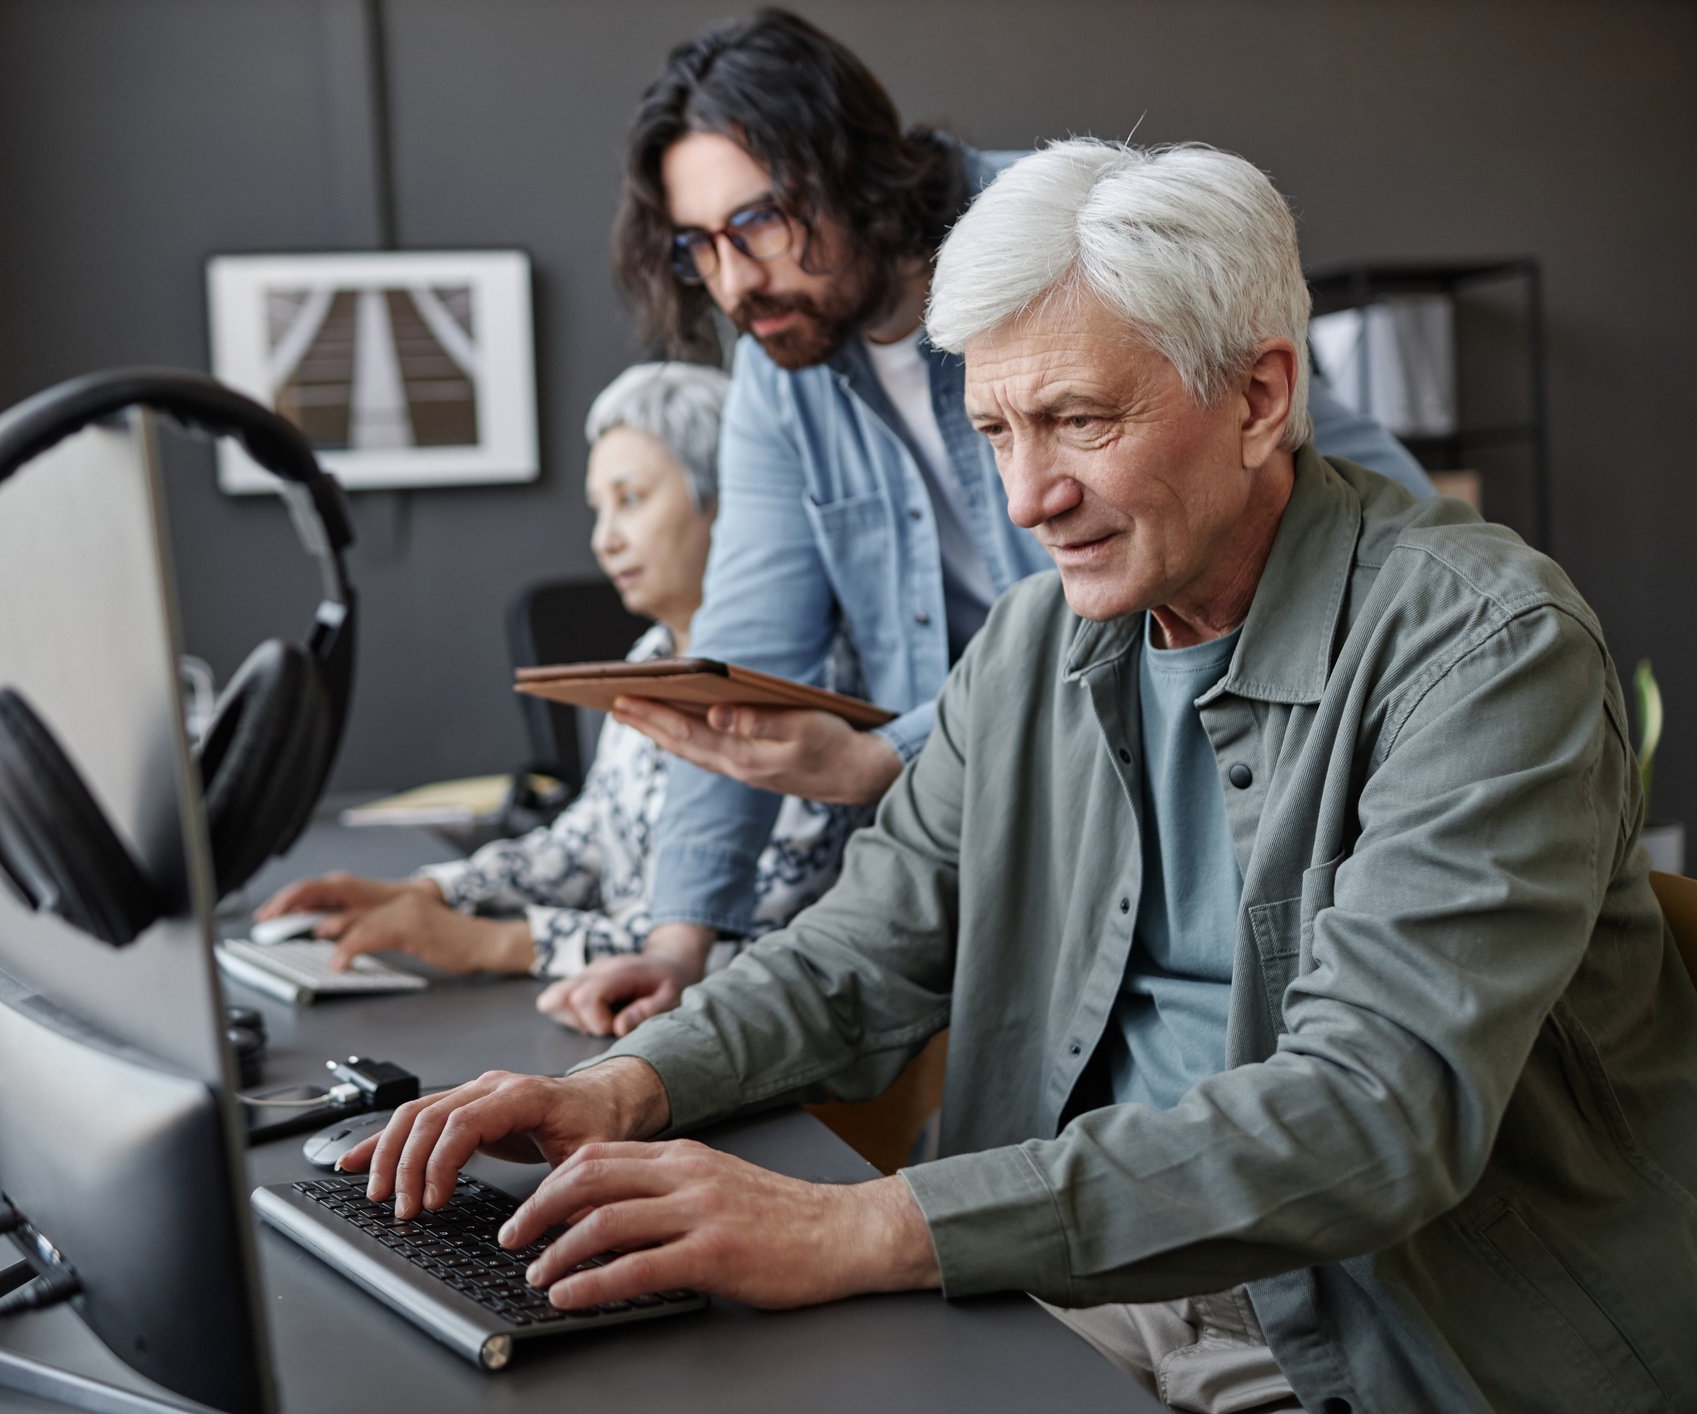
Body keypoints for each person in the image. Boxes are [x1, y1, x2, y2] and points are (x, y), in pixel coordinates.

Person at [339, 140, 1697, 1412]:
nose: (1024, 496)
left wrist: (860, 1223)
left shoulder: (1488, 651)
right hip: (1061, 1282)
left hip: (1381, 1340)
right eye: (996, 431)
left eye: (1075, 419)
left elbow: (1369, 1111)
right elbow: (865, 947)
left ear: (1261, 397)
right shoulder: (1042, 637)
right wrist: (622, 1088)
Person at [547, 9, 1441, 1036]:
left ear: (850, 168)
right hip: (1008, 805)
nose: (736, 280)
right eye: (700, 245)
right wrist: (678, 941)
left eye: (759, 222)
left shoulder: (1069, 240)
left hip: (1235, 742)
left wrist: (900, 753)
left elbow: (1328, 496)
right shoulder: (781, 365)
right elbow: (746, 644)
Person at [256, 363, 862, 978]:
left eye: (631, 500)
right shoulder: (651, 655)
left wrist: (490, 944)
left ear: (731, 503)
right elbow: (590, 840)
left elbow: (754, 937)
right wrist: (430, 893)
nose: (605, 540)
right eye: (599, 509)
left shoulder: (807, 681)